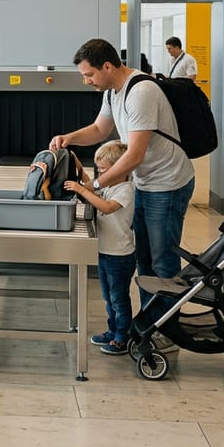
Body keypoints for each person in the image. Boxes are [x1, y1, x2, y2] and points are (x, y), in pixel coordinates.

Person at [49, 38, 194, 326]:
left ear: (107, 66)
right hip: (145, 181)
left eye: (89, 75)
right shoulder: (113, 91)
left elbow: (134, 156)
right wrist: (69, 138)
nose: (86, 81)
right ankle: (148, 324)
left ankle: (166, 328)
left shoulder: (141, 92)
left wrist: (94, 186)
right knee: (144, 257)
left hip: (166, 182)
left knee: (162, 259)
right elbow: (100, 129)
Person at [62, 140, 135, 355]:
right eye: (99, 169)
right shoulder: (110, 185)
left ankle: (122, 336)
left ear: (121, 169)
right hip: (105, 252)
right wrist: (76, 165)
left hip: (120, 255)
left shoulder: (126, 190)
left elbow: (107, 207)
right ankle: (113, 331)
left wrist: (81, 191)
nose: (100, 174)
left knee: (118, 298)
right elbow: (89, 182)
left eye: (104, 170)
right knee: (108, 296)